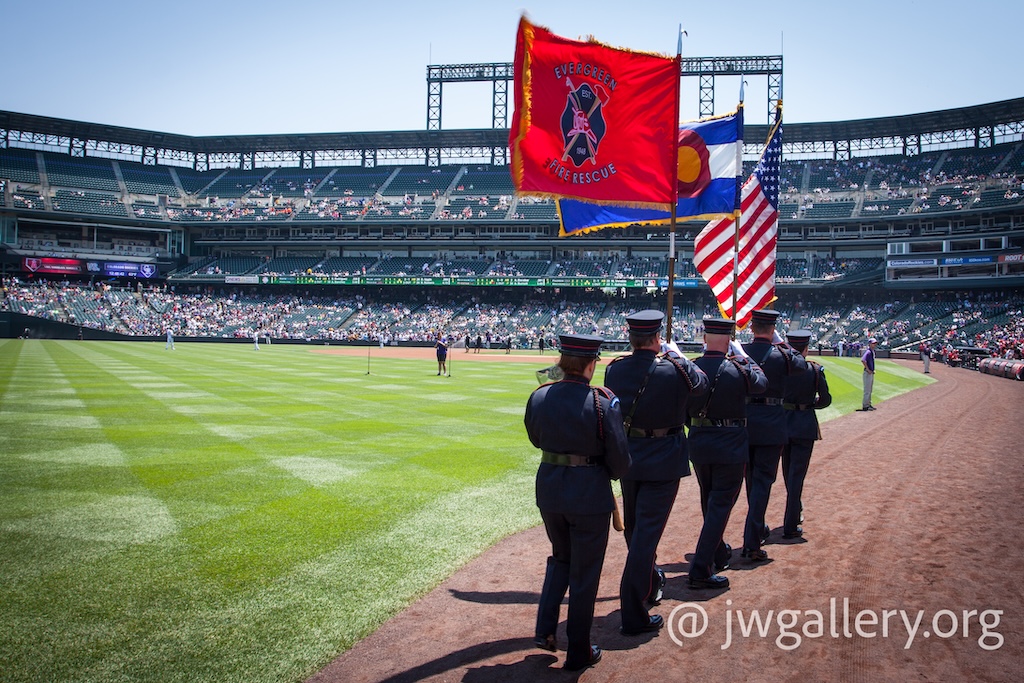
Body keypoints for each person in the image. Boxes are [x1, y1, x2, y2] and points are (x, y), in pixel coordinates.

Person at [524, 334, 631, 671]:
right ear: (590, 364)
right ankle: (578, 650)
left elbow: (535, 438)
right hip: (589, 494)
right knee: (585, 573)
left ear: (562, 362)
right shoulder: (601, 402)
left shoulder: (539, 396)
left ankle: (545, 629)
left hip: (551, 489)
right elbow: (620, 461)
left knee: (561, 557)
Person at [604, 310, 708, 634]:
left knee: (636, 531)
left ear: (631, 338)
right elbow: (702, 388)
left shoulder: (615, 370)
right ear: (657, 337)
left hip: (630, 460)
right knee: (645, 537)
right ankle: (633, 611)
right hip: (664, 460)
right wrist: (678, 356)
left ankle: (649, 580)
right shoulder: (674, 370)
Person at [686, 318, 768, 588]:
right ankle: (700, 568)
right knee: (720, 505)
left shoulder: (692, 368)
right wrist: (744, 356)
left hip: (699, 441)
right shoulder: (737, 368)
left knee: (708, 500)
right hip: (731, 443)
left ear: (705, 337)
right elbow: (761, 384)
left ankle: (718, 553)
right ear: (730, 339)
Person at [741, 309, 808, 562]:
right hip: (771, 424)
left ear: (752, 327)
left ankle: (756, 528)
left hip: (745, 423)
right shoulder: (782, 354)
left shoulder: (742, 352)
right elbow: (800, 365)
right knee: (762, 483)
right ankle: (752, 539)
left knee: (750, 480)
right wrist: (781, 343)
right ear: (773, 329)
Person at [780, 330, 832, 540]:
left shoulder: (782, 369)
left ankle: (794, 509)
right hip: (804, 425)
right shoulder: (814, 370)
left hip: (782, 423)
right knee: (797, 476)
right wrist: (811, 404)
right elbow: (826, 399)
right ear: (806, 348)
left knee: (787, 472)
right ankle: (791, 523)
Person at [859, 338, 878, 411]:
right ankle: (865, 406)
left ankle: (868, 404)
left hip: (870, 372)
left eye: (875, 343)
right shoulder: (868, 352)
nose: (874, 345)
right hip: (867, 373)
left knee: (870, 390)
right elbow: (863, 360)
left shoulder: (872, 351)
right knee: (867, 390)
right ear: (869, 344)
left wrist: (872, 370)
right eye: (873, 343)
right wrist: (868, 369)